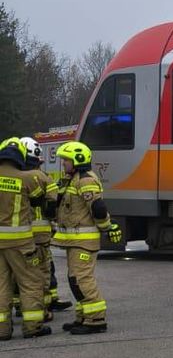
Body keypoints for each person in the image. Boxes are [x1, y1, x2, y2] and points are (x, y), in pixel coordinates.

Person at [50, 140, 122, 335]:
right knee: (74, 279)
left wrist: (107, 226)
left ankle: (96, 319)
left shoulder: (86, 180)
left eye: (66, 160)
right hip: (75, 241)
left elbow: (98, 208)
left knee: (82, 279)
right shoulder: (72, 179)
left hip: (84, 241)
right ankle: (83, 316)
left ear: (78, 160)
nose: (63, 163)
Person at [0, 137, 51, 340]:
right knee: (30, 282)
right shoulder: (26, 178)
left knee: (1, 285)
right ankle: (32, 327)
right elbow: (40, 199)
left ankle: (2, 330)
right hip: (21, 242)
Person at [18, 137, 69, 320]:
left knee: (21, 272)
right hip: (38, 235)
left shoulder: (15, 177)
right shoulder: (41, 178)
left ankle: (23, 304)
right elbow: (51, 208)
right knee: (42, 272)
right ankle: (42, 307)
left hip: (20, 236)